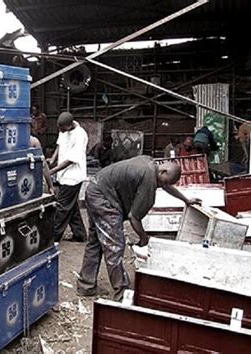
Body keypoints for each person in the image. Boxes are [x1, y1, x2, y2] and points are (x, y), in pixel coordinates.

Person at [76, 156, 200, 300]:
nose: (160, 186)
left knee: (95, 241)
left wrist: (185, 200)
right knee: (115, 245)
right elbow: (134, 217)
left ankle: (86, 285)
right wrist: (144, 238)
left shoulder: (150, 163)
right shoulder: (149, 179)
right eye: (162, 183)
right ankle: (122, 294)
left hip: (95, 188)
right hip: (103, 198)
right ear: (163, 172)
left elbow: (166, 185)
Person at [48, 112, 88, 242]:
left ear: (70, 125)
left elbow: (71, 160)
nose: (60, 130)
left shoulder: (80, 135)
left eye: (62, 128)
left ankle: (54, 237)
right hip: (63, 175)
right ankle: (80, 235)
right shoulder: (64, 129)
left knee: (63, 207)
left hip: (73, 177)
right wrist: (52, 159)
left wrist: (52, 171)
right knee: (72, 206)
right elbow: (59, 145)